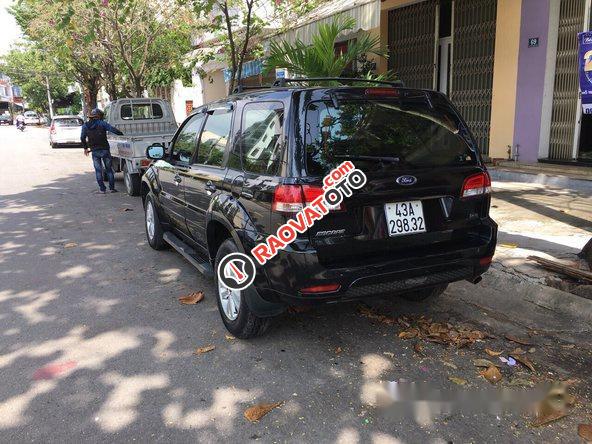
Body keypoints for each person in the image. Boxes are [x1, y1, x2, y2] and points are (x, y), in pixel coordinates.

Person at [81, 108, 123, 194]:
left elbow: (82, 138)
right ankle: (112, 188)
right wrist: (121, 134)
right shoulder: (102, 123)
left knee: (98, 170)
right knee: (109, 170)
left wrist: (85, 148)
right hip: (105, 150)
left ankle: (102, 189)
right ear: (99, 116)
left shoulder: (85, 126)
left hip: (95, 151)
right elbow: (113, 129)